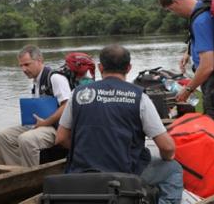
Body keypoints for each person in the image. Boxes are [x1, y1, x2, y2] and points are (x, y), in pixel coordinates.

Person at [56, 44, 183, 204]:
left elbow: (60, 138)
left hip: (82, 173)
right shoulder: (139, 97)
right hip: (125, 176)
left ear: (100, 67)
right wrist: (167, 158)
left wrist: (92, 149)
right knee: (173, 169)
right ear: (129, 68)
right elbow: (167, 147)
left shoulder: (78, 94)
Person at [159, 0, 214, 130]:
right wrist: (189, 52)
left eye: (171, 9)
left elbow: (207, 66)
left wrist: (188, 89)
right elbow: (208, 40)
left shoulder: (200, 20)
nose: (173, 13)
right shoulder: (202, 7)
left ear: (176, 1)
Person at [0, 45, 71, 167]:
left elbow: (67, 106)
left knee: (26, 140)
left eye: (27, 64)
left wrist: (46, 122)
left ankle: (31, 175)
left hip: (56, 128)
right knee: (3, 136)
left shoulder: (55, 78)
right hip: (40, 124)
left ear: (40, 60)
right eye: (21, 66)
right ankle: (17, 171)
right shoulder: (36, 81)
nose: (23, 69)